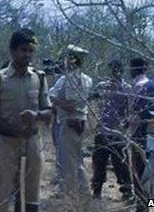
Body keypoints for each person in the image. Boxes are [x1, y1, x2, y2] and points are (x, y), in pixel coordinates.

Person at [0, 29, 51, 212]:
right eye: (23, 50)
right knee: (0, 197)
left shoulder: (39, 77)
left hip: (32, 144)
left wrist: (36, 116)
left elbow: (49, 111)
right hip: (5, 144)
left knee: (30, 198)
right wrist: (14, 130)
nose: (27, 54)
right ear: (13, 51)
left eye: (30, 51)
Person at [49, 44, 93, 202]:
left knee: (67, 162)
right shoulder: (87, 79)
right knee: (78, 160)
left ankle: (71, 197)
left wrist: (55, 102)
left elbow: (69, 104)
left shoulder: (67, 79)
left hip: (69, 122)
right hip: (81, 122)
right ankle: (83, 193)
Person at [90, 60, 133, 202]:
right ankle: (96, 190)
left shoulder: (127, 88)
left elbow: (131, 110)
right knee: (99, 162)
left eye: (117, 69)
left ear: (121, 71)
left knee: (121, 163)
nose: (114, 72)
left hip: (118, 132)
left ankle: (127, 191)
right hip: (102, 130)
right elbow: (90, 99)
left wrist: (126, 123)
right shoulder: (102, 86)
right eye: (112, 69)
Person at [128, 57, 154, 212]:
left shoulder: (142, 87)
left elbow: (138, 114)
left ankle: (143, 206)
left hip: (141, 136)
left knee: (140, 173)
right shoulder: (153, 86)